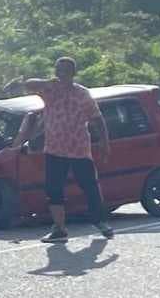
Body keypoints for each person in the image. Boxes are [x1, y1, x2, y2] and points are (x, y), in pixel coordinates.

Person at [25, 57, 114, 244]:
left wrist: (105, 143)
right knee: (53, 189)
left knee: (90, 186)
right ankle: (59, 228)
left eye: (65, 71)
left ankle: (100, 221)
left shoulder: (82, 94)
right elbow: (28, 84)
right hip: (54, 149)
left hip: (78, 149)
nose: (61, 74)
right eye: (58, 70)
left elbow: (97, 120)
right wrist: (47, 82)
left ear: (73, 73)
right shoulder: (49, 90)